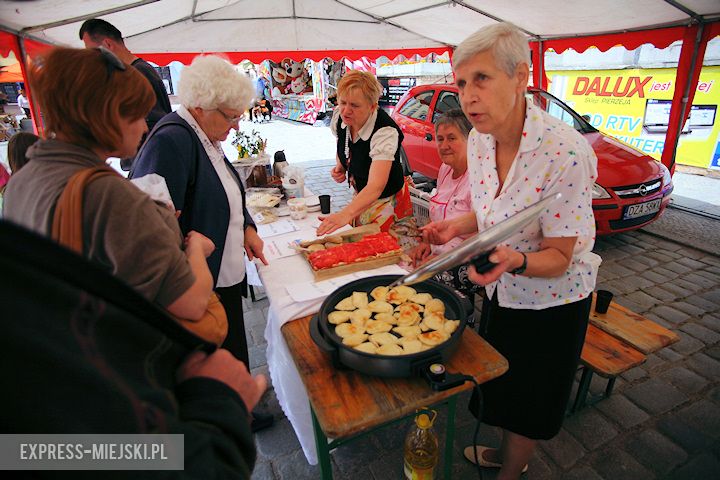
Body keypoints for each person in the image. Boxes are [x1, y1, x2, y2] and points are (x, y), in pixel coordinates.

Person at [2, 46, 266, 474]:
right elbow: (191, 304)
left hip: (65, 399)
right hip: (119, 391)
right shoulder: (111, 191)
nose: (145, 125)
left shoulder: (26, 176)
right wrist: (195, 248)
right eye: (135, 114)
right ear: (104, 117)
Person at [423, 23, 600, 479]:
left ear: (521, 77)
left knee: (531, 395)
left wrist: (515, 260)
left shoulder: (565, 153)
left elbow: (561, 256)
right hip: (503, 288)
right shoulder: (481, 140)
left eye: (481, 79)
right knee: (503, 380)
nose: (467, 96)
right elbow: (494, 214)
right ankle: (505, 455)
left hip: (553, 300)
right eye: (461, 83)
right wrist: (453, 227)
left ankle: (511, 471)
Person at [129, 55, 272, 432]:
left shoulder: (203, 132)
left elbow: (226, 189)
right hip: (196, 281)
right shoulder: (173, 139)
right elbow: (147, 224)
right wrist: (190, 252)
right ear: (199, 106)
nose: (235, 124)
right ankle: (227, 417)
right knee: (213, 345)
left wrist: (247, 228)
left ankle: (240, 405)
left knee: (231, 338)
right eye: (229, 116)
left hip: (218, 270)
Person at [317, 70, 412, 237]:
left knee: (383, 254)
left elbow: (376, 186)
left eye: (354, 105)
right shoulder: (341, 117)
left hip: (387, 202)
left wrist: (345, 214)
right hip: (361, 198)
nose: (346, 110)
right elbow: (342, 141)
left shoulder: (384, 132)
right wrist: (341, 164)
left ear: (372, 106)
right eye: (343, 102)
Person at [80, 18, 172, 169]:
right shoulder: (134, 72)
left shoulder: (138, 74)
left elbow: (155, 124)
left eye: (92, 51)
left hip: (151, 165)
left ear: (108, 44)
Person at [409, 109, 478, 297]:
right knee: (404, 268)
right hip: (441, 250)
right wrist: (427, 244)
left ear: (470, 140)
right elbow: (438, 217)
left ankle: (463, 316)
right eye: (440, 139)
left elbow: (483, 234)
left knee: (418, 284)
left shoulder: (479, 178)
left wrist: (438, 261)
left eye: (451, 138)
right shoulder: (445, 169)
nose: (444, 145)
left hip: (470, 257)